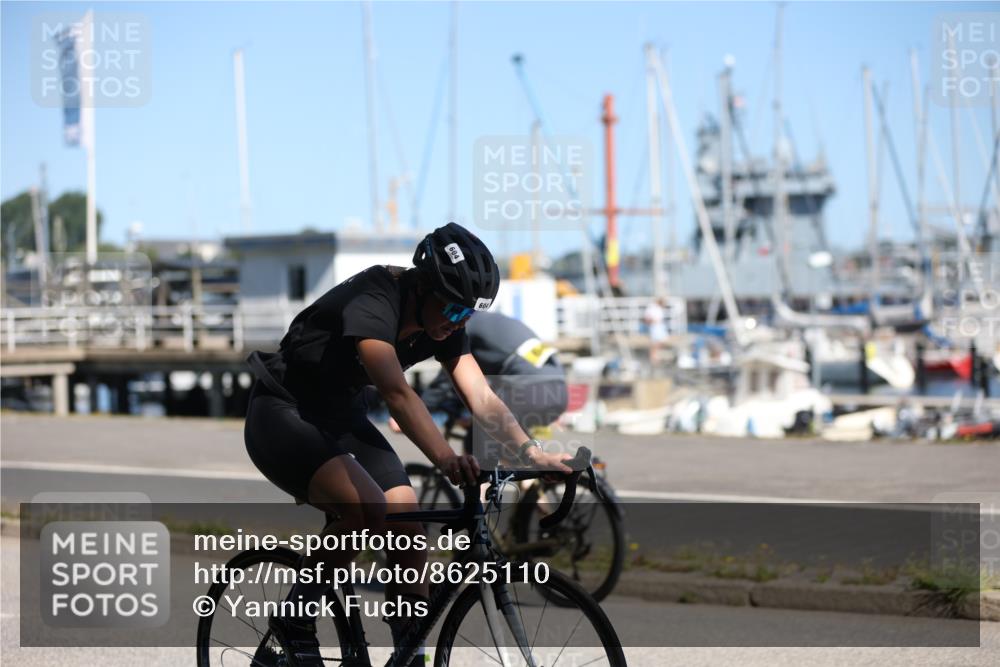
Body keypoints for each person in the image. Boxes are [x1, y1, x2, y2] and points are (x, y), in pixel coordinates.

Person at [243, 222, 571, 666]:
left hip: (340, 416)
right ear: (423, 287)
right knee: (365, 509)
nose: (458, 323)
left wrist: (532, 453)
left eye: (468, 315)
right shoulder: (375, 299)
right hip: (284, 413)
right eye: (454, 311)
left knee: (409, 530)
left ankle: (408, 650)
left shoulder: (446, 319)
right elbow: (398, 394)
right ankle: (293, 622)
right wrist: (446, 459)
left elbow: (480, 394)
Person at [390, 311, 568, 466]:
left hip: (529, 390)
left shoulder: (465, 328)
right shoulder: (495, 322)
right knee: (508, 445)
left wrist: (416, 410)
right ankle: (535, 495)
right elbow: (481, 385)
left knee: (477, 438)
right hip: (558, 392)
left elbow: (447, 379)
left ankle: (478, 500)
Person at [643, 297, 668, 364]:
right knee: (655, 342)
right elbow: (647, 318)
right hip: (654, 326)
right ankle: (653, 357)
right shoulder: (651, 307)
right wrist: (652, 322)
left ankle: (655, 355)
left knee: (661, 341)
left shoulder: (659, 308)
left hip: (660, 326)